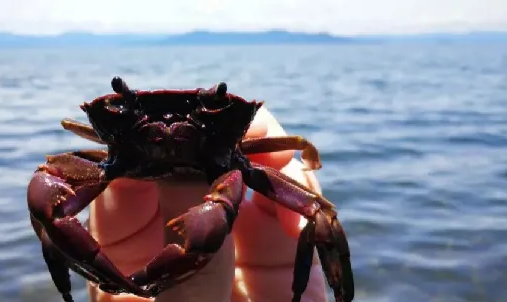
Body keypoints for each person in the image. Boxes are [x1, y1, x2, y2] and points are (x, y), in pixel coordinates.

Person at [85, 106, 328, 302]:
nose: (171, 128)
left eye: (207, 110)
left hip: (224, 166)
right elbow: (48, 210)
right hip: (129, 159)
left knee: (318, 213)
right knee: (48, 200)